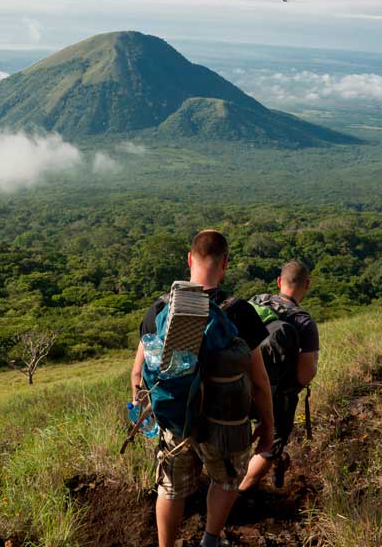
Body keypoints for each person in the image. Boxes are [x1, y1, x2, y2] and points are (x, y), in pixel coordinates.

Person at [130, 230, 274, 547]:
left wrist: (146, 415)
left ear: (189, 260)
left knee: (170, 488)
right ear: (225, 263)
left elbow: (138, 372)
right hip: (224, 425)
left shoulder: (158, 310)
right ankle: (210, 539)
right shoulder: (239, 313)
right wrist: (267, 427)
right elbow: (261, 384)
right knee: (226, 480)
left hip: (175, 420)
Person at [238, 260, 320, 493]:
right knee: (270, 445)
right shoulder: (303, 321)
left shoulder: (255, 302)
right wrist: (287, 388)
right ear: (307, 284)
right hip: (275, 395)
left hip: (238, 384)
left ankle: (221, 489)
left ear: (278, 282)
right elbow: (307, 372)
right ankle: (240, 493)